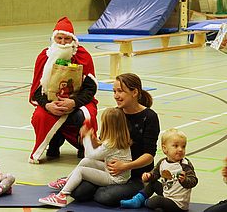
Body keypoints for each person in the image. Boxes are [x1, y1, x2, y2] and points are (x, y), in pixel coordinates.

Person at [71, 73, 160, 206]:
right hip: (110, 172)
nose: (116, 95)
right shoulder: (115, 114)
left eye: (120, 91)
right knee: (78, 193)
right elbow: (106, 144)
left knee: (105, 196)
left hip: (136, 175)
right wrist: (90, 138)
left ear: (134, 92)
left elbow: (149, 156)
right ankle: (106, 187)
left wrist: (125, 166)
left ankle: (136, 191)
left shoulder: (149, 117)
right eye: (114, 91)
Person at [29, 16, 98, 163]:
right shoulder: (44, 57)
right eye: (59, 38)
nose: (62, 42)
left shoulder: (83, 56)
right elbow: (37, 89)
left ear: (73, 39)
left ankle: (84, 146)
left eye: (66, 39)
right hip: (50, 102)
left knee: (85, 116)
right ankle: (53, 143)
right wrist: (47, 105)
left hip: (78, 102)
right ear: (54, 38)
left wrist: (74, 102)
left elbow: (90, 89)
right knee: (40, 116)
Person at [38, 107, 132, 207]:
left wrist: (86, 137)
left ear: (107, 125)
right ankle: (67, 181)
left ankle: (62, 196)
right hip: (114, 171)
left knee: (81, 171)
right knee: (86, 161)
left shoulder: (110, 144)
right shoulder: (118, 139)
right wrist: (93, 139)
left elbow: (90, 154)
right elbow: (97, 152)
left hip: (114, 178)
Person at [121, 128, 198, 211]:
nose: (180, 149)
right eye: (175, 146)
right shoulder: (162, 162)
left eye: (183, 147)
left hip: (178, 204)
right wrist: (148, 176)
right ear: (165, 149)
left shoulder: (185, 165)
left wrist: (185, 180)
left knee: (157, 200)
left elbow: (194, 181)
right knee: (153, 184)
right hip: (167, 194)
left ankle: (146, 203)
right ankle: (137, 200)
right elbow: (155, 174)